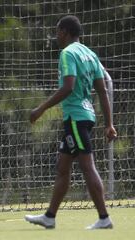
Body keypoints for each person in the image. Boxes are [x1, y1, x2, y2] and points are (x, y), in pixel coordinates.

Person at [25, 15, 117, 229]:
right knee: (62, 167)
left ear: (65, 32)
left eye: (57, 31)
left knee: (87, 166)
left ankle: (104, 218)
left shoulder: (67, 53)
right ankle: (49, 216)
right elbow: (102, 92)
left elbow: (68, 87)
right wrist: (109, 124)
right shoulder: (90, 54)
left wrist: (41, 109)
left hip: (75, 117)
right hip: (86, 116)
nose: (56, 35)